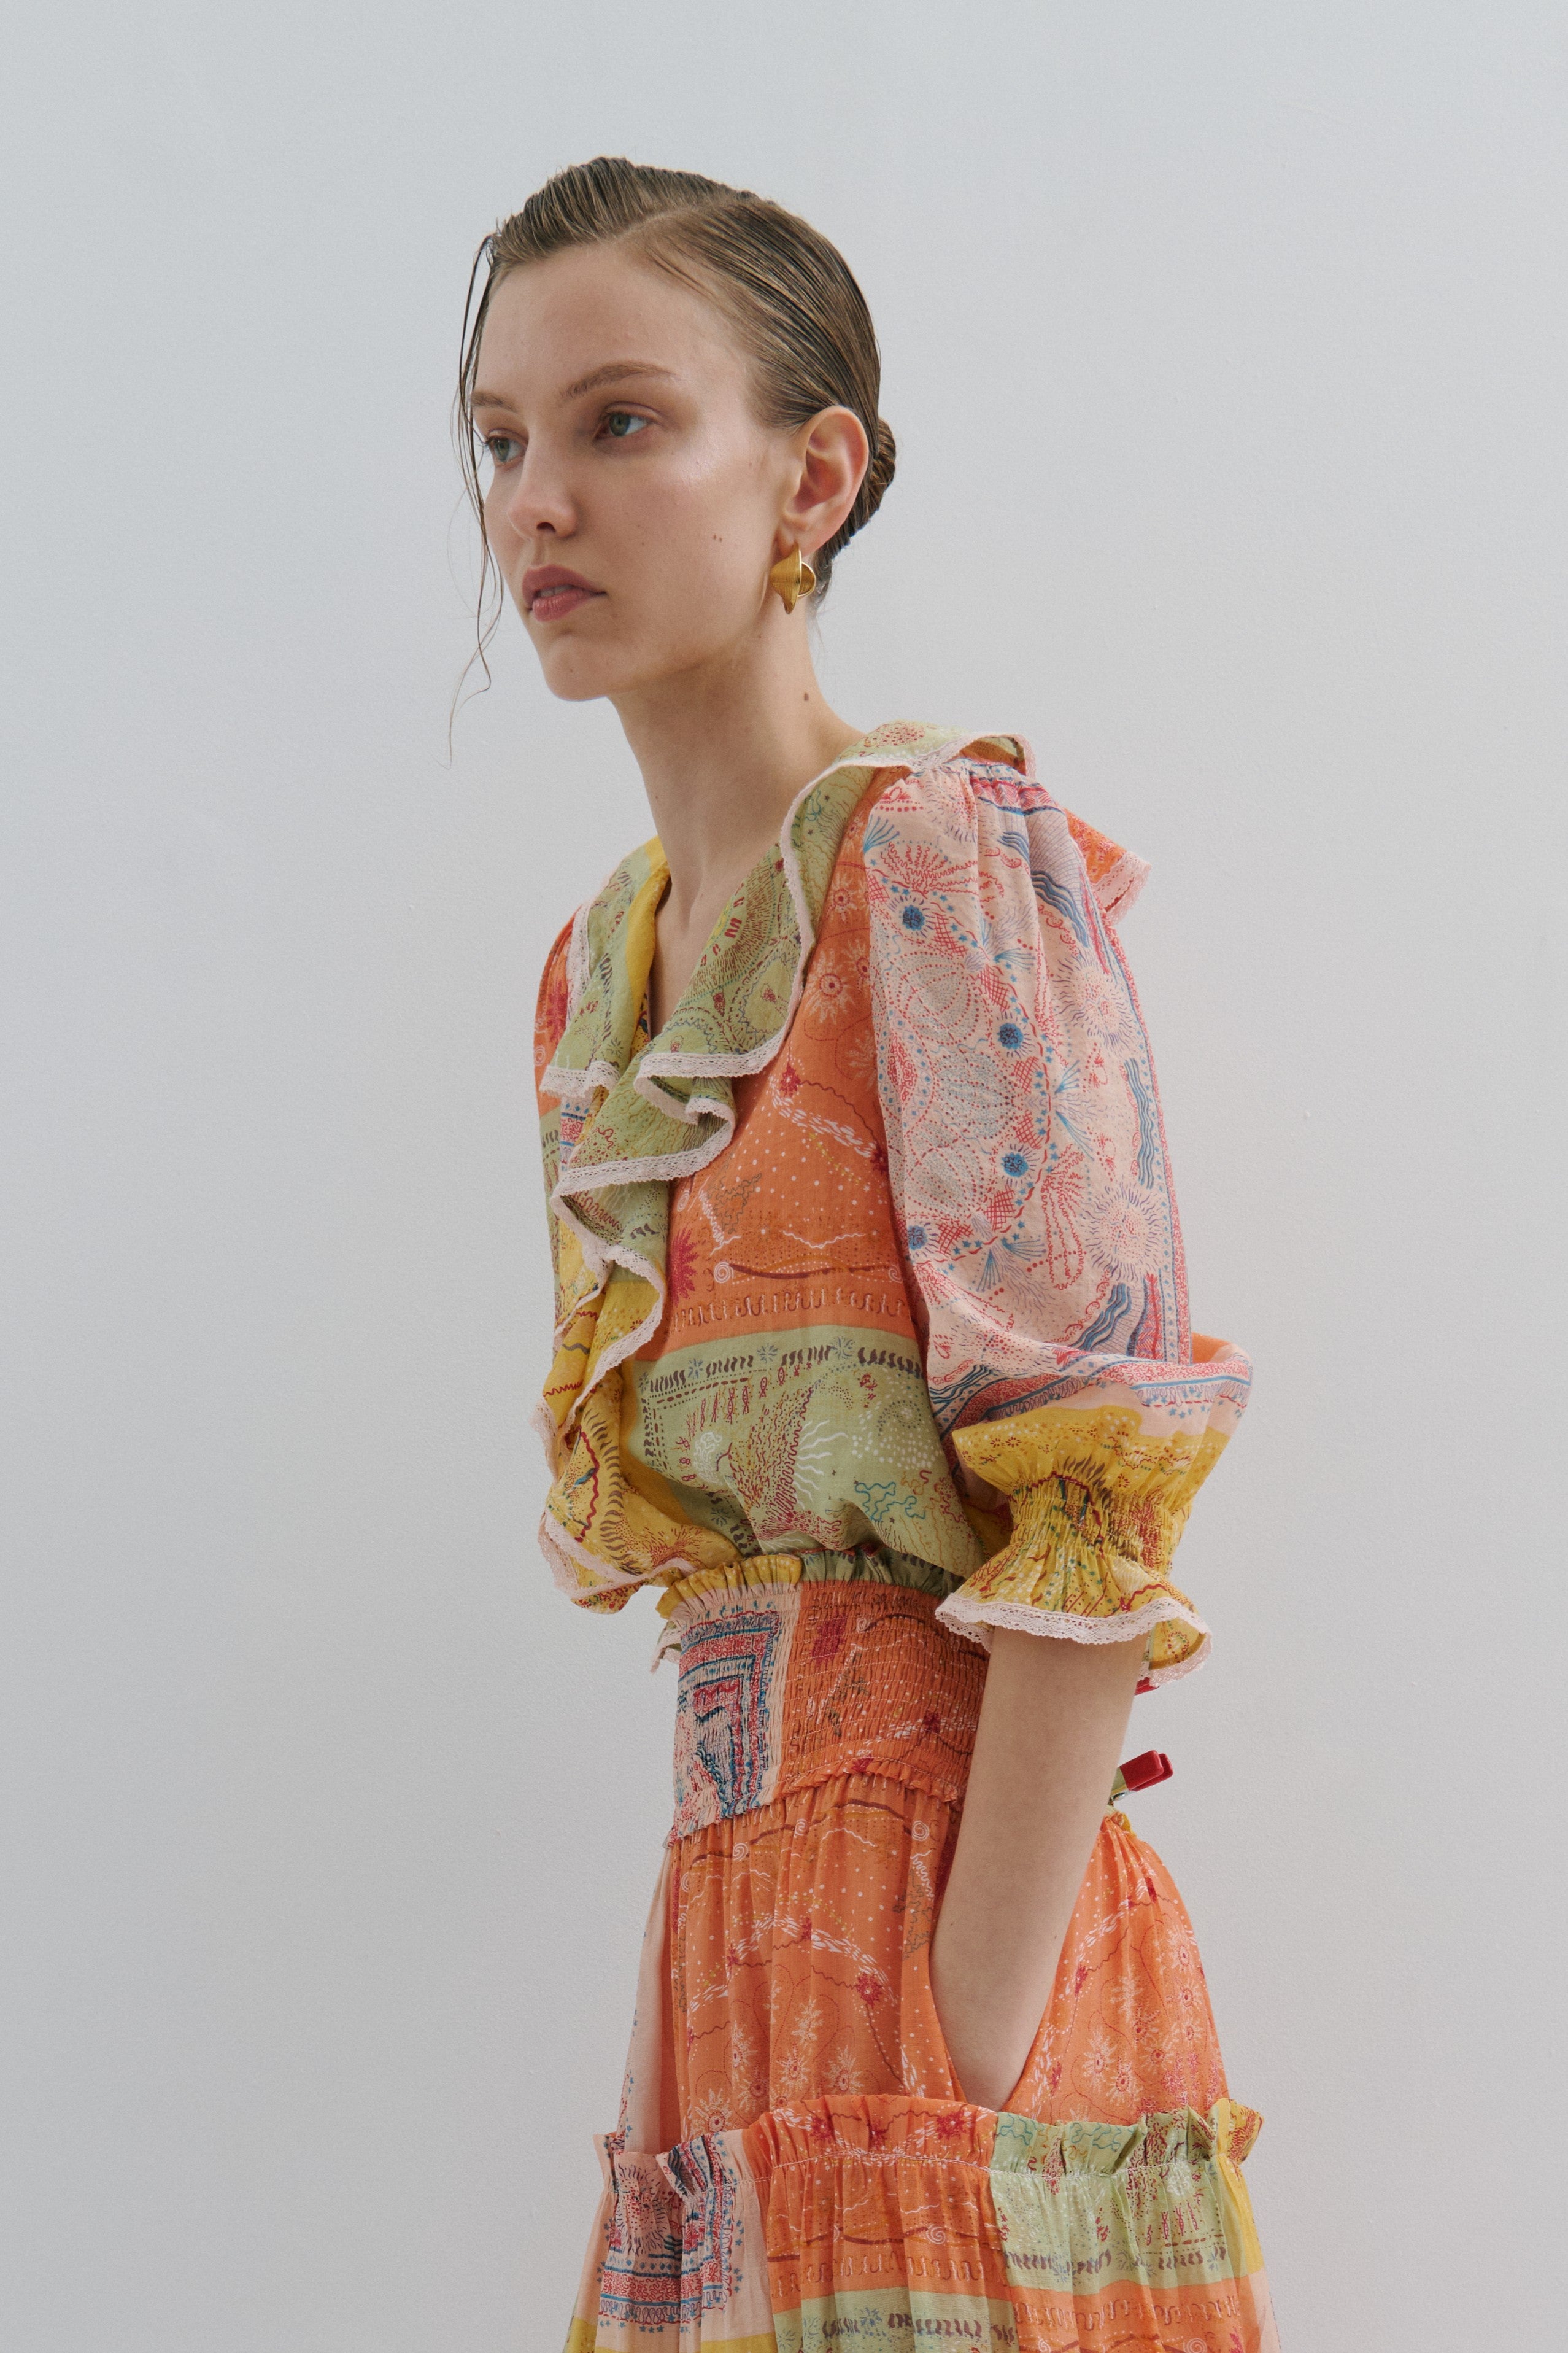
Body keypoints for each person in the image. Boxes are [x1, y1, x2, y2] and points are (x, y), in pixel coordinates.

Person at [457, 155, 1278, 2352]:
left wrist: (957, 2053)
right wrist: (678, 2084)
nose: (538, 498)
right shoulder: (597, 979)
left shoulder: (938, 861)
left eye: (621, 422)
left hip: (954, 1930)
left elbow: (1091, 1508)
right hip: (723, 1951)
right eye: (501, 439)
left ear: (812, 473)